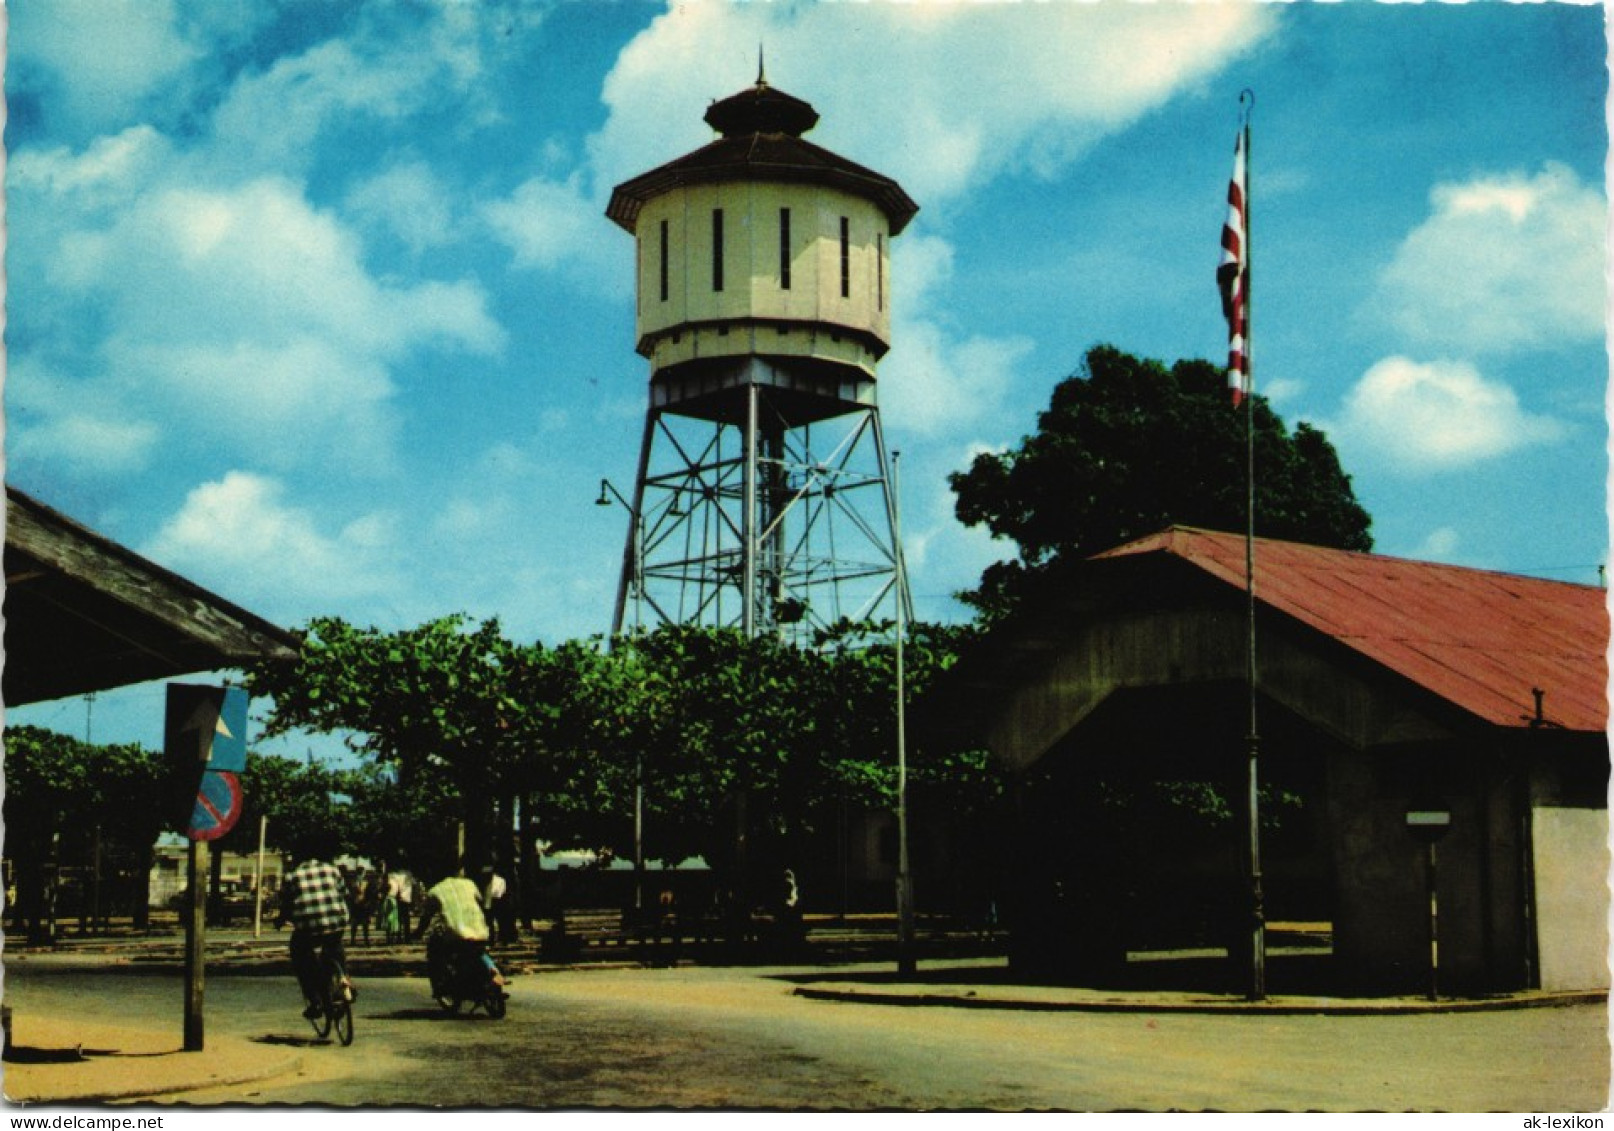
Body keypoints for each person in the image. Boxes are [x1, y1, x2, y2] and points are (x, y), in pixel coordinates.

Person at [278, 840, 353, 1019]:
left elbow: (286, 905)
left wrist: (280, 920)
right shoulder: (333, 871)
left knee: (300, 953)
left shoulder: (292, 876)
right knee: (335, 947)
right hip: (336, 923)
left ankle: (314, 1001)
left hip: (308, 928)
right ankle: (343, 978)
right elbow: (345, 895)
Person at [416, 871, 502, 998]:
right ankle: (494, 972)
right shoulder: (469, 884)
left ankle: (440, 985)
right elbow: (480, 901)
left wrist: (418, 932)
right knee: (480, 951)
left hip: (456, 933)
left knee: (435, 951)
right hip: (480, 929)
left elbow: (426, 917)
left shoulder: (435, 891)